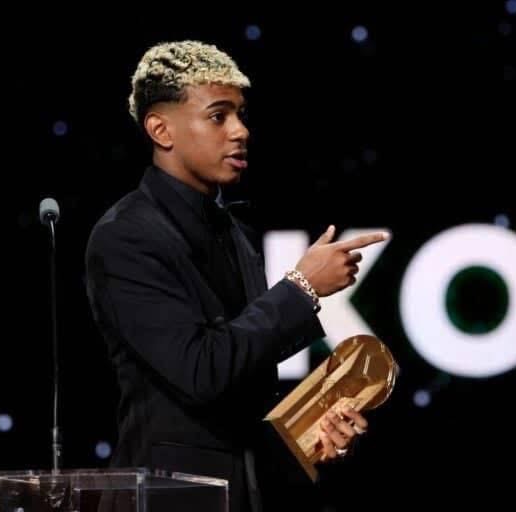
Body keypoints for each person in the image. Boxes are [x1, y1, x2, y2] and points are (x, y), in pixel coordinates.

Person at [85, 40, 389, 512]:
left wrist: (311, 437)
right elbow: (202, 371)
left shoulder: (234, 231)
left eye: (241, 115)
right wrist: (302, 287)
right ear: (161, 129)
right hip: (167, 500)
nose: (240, 131)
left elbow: (242, 395)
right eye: (218, 116)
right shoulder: (126, 237)